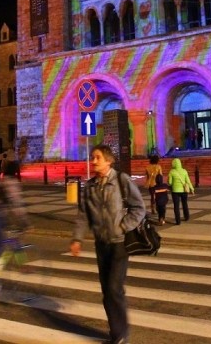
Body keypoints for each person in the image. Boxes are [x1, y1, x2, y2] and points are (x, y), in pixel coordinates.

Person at [71, 144, 145, 344]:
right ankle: (116, 332)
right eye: (92, 157)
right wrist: (77, 238)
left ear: (108, 160)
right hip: (101, 243)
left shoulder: (121, 181)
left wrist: (123, 226)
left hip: (119, 243)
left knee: (114, 288)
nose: (93, 161)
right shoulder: (90, 186)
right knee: (106, 290)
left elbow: (139, 208)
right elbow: (82, 214)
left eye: (97, 158)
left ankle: (121, 333)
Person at [168, 157, 194, 225]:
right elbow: (188, 181)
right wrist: (192, 188)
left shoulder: (171, 172)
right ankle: (186, 216)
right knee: (184, 203)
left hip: (175, 191)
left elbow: (170, 183)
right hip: (184, 190)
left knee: (176, 206)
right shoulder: (184, 171)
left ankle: (178, 221)